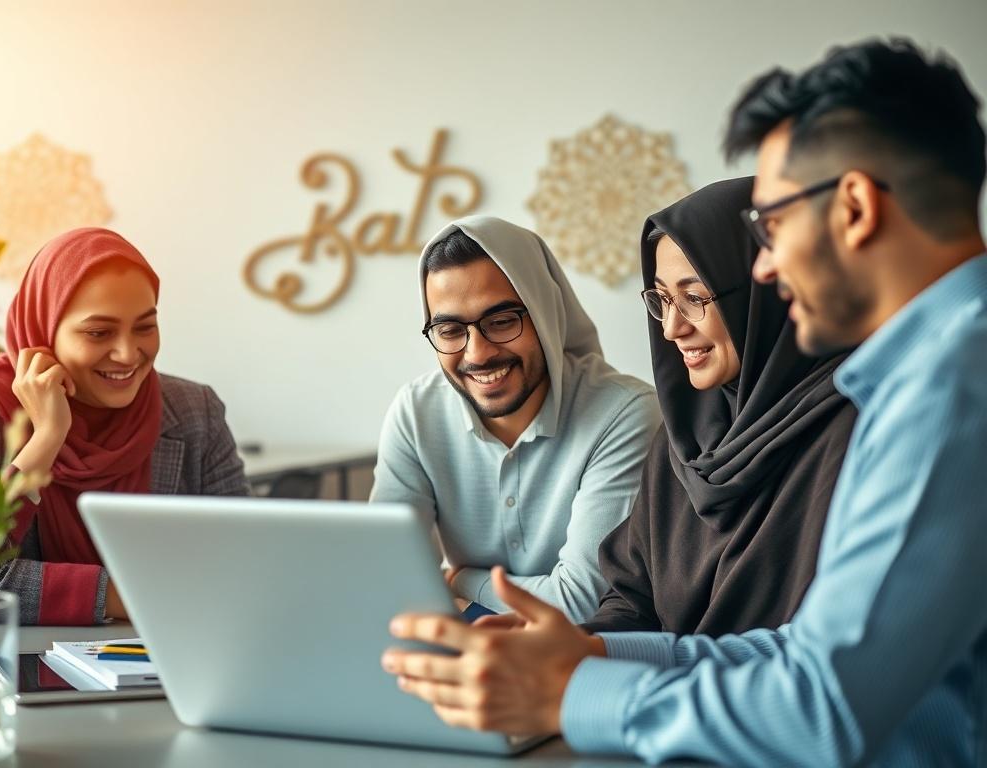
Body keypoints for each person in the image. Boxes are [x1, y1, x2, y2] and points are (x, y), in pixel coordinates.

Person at [380, 39, 987, 767]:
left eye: (772, 225)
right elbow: (801, 652)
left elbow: (821, 709)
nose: (763, 264)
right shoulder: (920, 374)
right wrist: (593, 653)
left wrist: (568, 696)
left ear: (854, 207)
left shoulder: (952, 388)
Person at [583, 176, 855, 638]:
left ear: (766, 293)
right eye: (662, 299)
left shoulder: (849, 430)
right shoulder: (683, 440)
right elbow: (631, 596)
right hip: (657, 697)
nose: (671, 329)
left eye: (693, 298)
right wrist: (569, 651)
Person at [370, 215, 660, 622]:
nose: (477, 354)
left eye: (502, 321)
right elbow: (385, 577)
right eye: (450, 330)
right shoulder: (416, 413)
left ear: (543, 314)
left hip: (579, 667)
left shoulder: (623, 413)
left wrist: (460, 581)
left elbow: (580, 603)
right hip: (457, 658)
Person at [0, 227, 249, 626]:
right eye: (99, 332)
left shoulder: (194, 412)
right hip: (9, 673)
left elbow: (244, 560)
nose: (128, 353)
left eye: (145, 327)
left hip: (169, 661)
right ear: (43, 332)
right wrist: (45, 439)